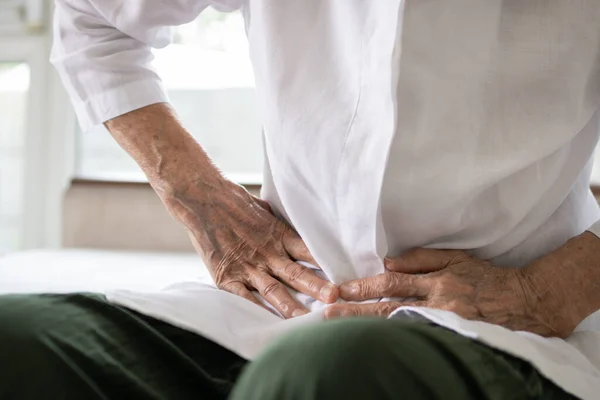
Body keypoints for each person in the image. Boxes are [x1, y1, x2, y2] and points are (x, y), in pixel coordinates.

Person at [2, 1, 600, 399]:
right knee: (20, 339)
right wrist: (197, 195)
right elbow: (92, 19)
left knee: (324, 370)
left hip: (502, 333)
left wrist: (547, 293)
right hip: (275, 311)